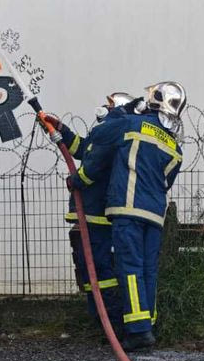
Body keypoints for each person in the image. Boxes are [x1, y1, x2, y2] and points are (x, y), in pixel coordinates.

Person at [69, 82, 185, 351]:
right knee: (148, 271)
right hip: (155, 214)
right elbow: (165, 181)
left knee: (129, 268)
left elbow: (96, 142)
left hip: (127, 209)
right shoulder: (174, 148)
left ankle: (138, 331)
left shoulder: (130, 125)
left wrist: (117, 113)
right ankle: (148, 323)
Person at [44, 92, 140, 334]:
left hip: (96, 215)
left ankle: (112, 323)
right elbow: (82, 149)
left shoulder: (111, 134)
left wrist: (77, 180)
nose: (103, 108)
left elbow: (92, 167)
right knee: (88, 268)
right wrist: (61, 130)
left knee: (100, 269)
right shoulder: (105, 135)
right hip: (88, 216)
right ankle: (100, 320)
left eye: (109, 105)